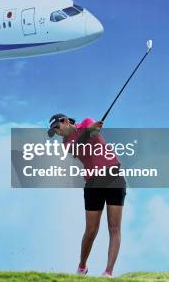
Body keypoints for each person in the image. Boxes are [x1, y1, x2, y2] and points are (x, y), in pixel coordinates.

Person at [47, 113, 126, 278]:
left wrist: (91, 130)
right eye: (54, 131)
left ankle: (108, 272)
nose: (57, 132)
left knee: (114, 228)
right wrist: (88, 132)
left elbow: (93, 133)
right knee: (91, 230)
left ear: (66, 121)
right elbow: (77, 147)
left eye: (57, 127)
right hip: (93, 183)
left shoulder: (87, 123)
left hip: (114, 177)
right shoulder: (67, 144)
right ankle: (82, 267)